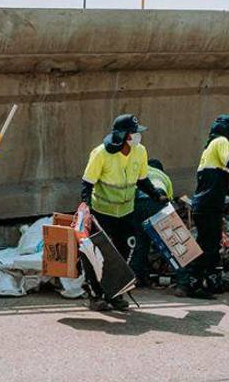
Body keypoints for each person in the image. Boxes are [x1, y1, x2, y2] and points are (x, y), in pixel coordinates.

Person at [81, 114, 169, 310]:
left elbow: (142, 180)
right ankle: (94, 294)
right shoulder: (101, 154)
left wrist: (156, 195)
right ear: (122, 136)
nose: (138, 137)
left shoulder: (140, 152)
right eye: (134, 133)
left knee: (124, 252)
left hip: (126, 211)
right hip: (102, 211)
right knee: (96, 253)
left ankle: (115, 294)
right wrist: (86, 207)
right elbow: (87, 183)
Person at [176, 115, 229, 299]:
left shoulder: (210, 147)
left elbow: (213, 179)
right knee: (207, 246)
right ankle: (193, 285)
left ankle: (210, 283)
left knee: (209, 244)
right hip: (209, 205)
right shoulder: (221, 142)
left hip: (207, 204)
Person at [130, 158, 174, 287]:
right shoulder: (163, 176)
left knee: (141, 243)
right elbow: (168, 200)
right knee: (171, 243)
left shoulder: (141, 173)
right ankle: (184, 283)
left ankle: (137, 278)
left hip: (139, 203)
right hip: (157, 201)